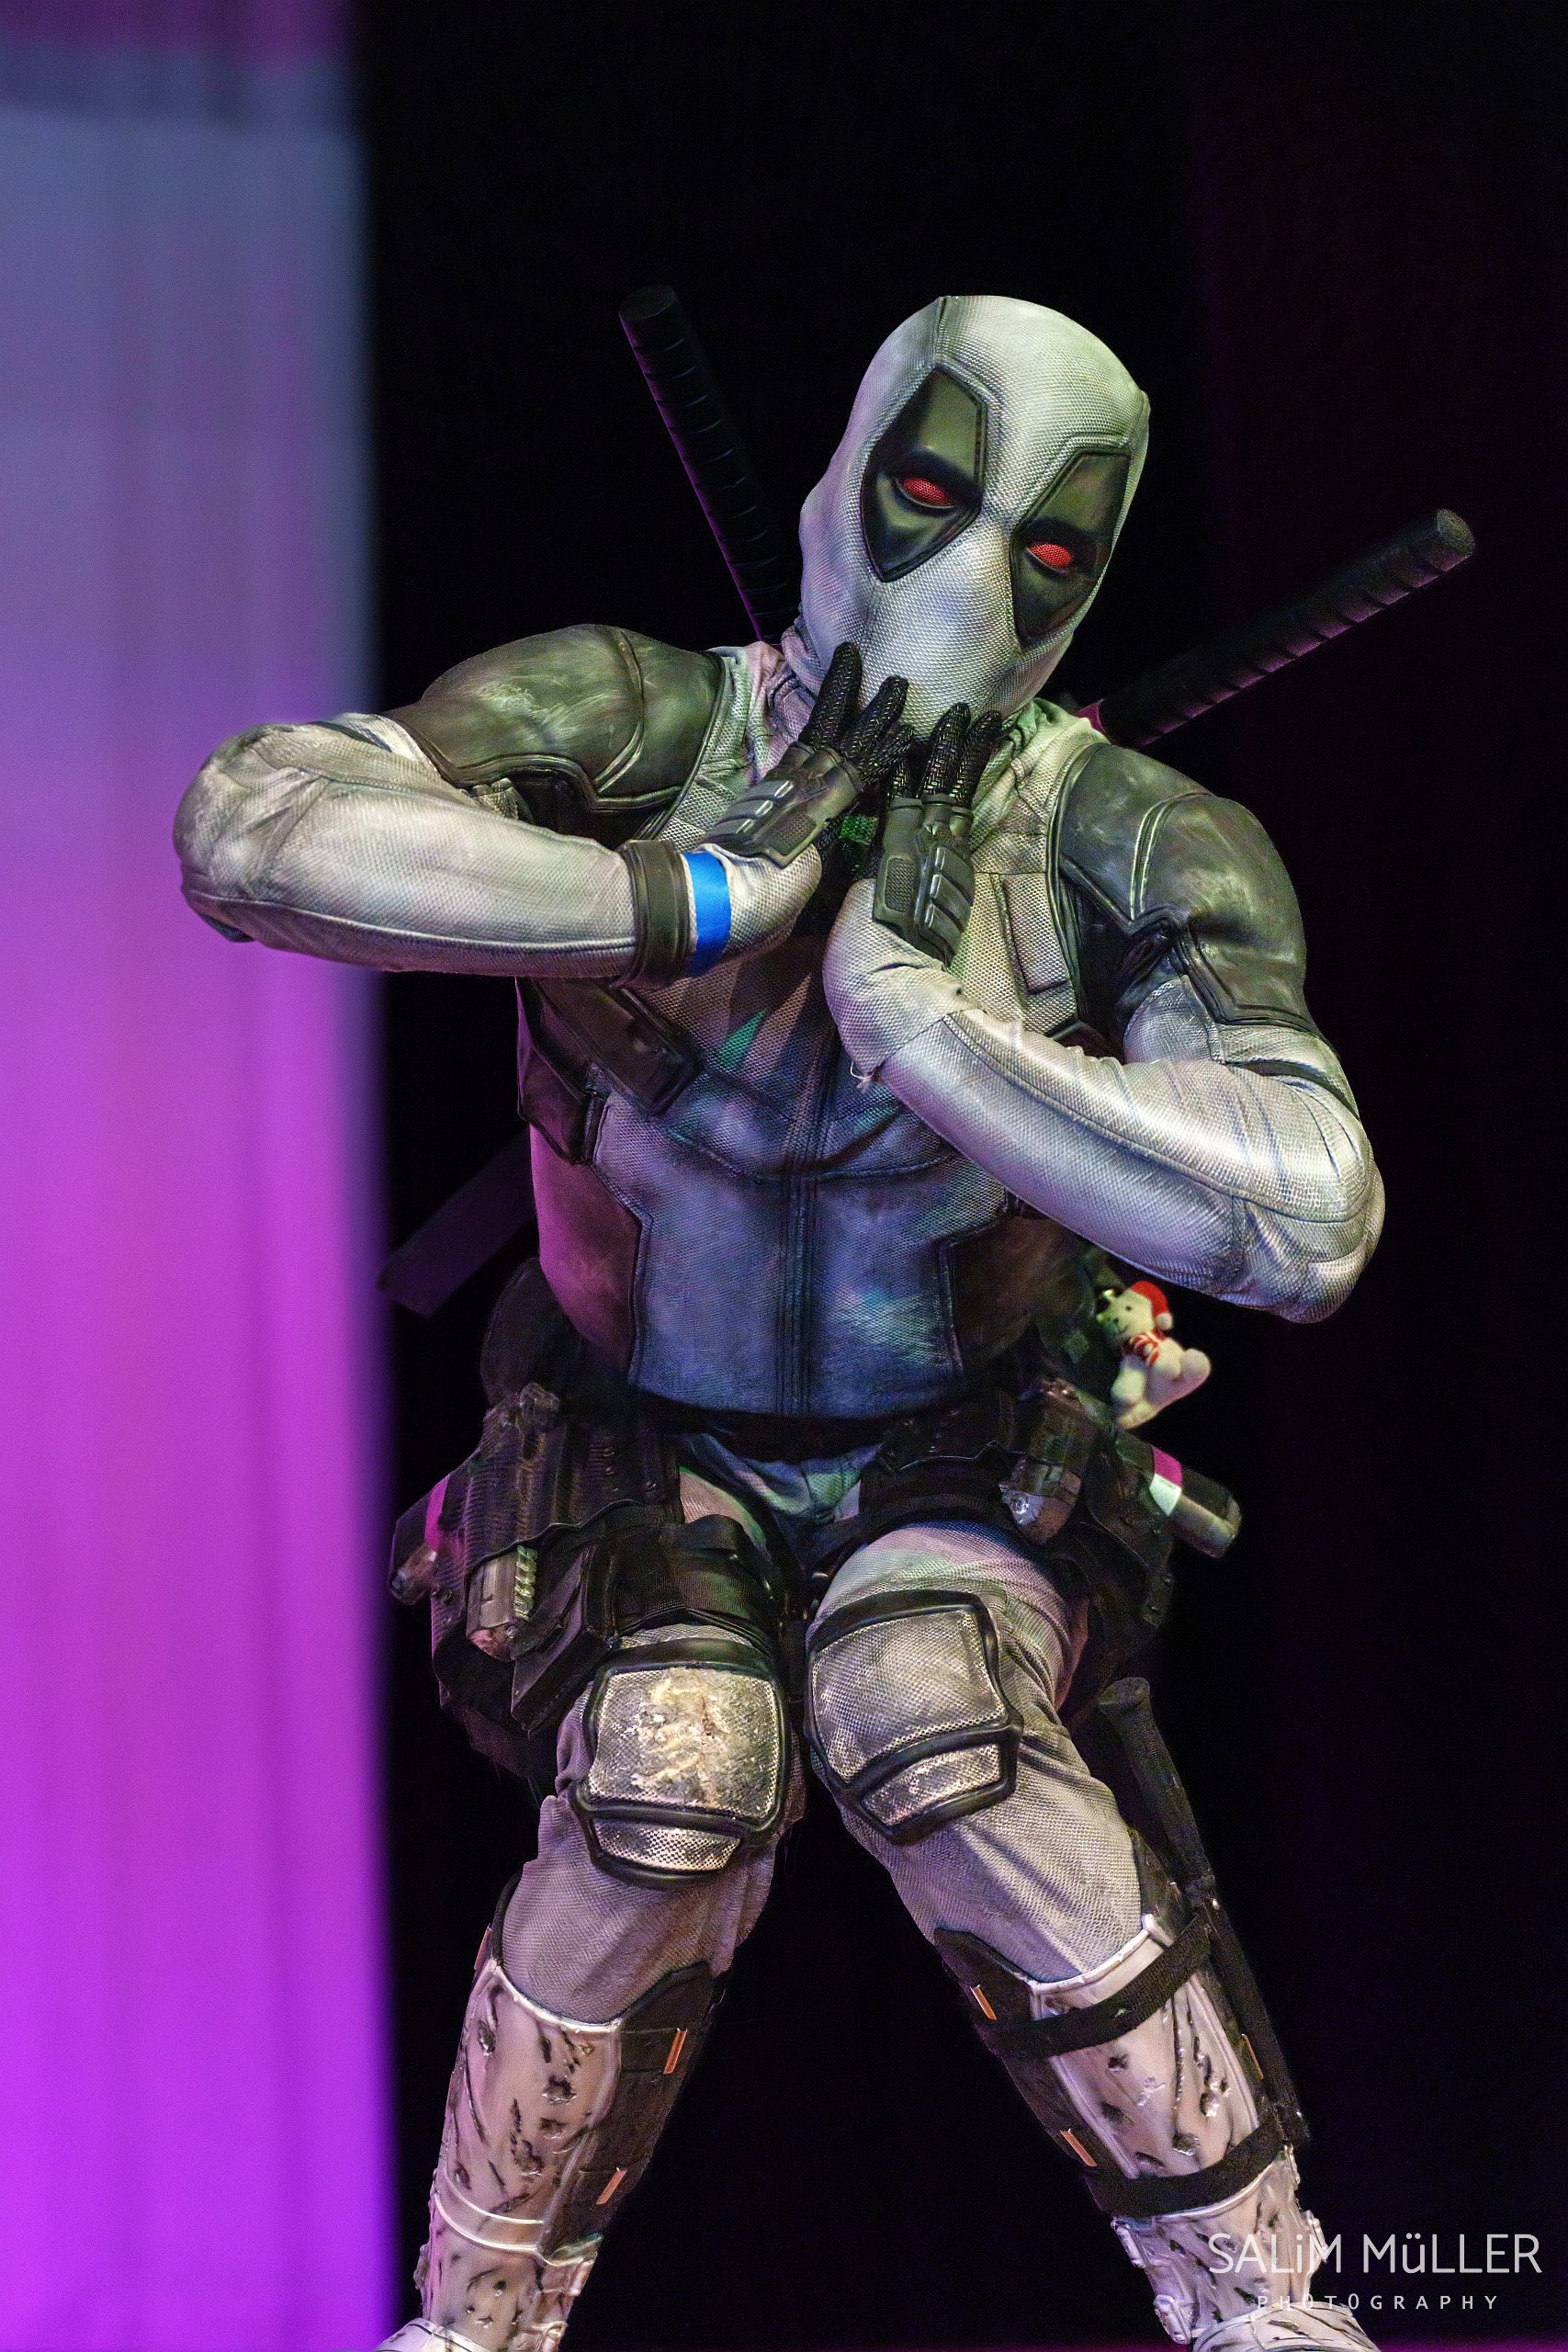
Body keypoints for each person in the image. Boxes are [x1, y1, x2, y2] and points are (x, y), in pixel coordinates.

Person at [175, 295, 1383, 2352]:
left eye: (1047, 547)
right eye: (930, 495)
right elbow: (256, 828)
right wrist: (692, 897)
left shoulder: (1121, 835)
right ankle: (474, 2321)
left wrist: (930, 1032)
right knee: (673, 1766)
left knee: (935, 1719)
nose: (970, 582)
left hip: (960, 1434)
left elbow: (1310, 1208)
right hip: (642, 1423)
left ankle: (1261, 2302)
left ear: (1092, 578)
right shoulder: (638, 723)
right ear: (842, 483)